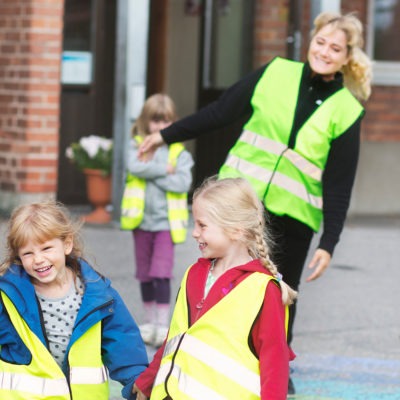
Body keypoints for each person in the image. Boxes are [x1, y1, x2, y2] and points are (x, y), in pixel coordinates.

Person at [137, 12, 372, 390]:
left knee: (280, 294)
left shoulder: (347, 110)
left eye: (336, 48)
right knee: (219, 280)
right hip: (238, 207)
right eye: (321, 42)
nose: (325, 52)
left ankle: (278, 368)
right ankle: (202, 349)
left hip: (294, 216)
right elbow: (220, 112)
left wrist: (329, 243)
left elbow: (340, 181)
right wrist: (166, 136)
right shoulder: (275, 72)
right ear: (310, 41)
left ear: (347, 57)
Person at [133, 176, 297, 399]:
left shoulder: (263, 289)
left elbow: (274, 364)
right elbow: (174, 339)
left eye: (202, 225)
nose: (195, 232)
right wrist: (146, 382)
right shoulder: (193, 274)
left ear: (235, 230)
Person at [0, 201, 148, 400]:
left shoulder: (97, 293)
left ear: (67, 244)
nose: (38, 259)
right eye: (28, 253)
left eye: (46, 248)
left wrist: (137, 379)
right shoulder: (8, 295)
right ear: (18, 255)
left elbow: (122, 339)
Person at [120, 93, 194, 348]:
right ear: (145, 122)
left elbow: (183, 182)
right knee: (144, 274)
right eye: (155, 122)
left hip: (166, 224)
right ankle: (149, 322)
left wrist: (151, 172)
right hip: (140, 222)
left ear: (173, 122)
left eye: (165, 122)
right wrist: (164, 171)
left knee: (160, 274)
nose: (159, 128)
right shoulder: (136, 145)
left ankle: (163, 325)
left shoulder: (178, 152)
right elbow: (135, 168)